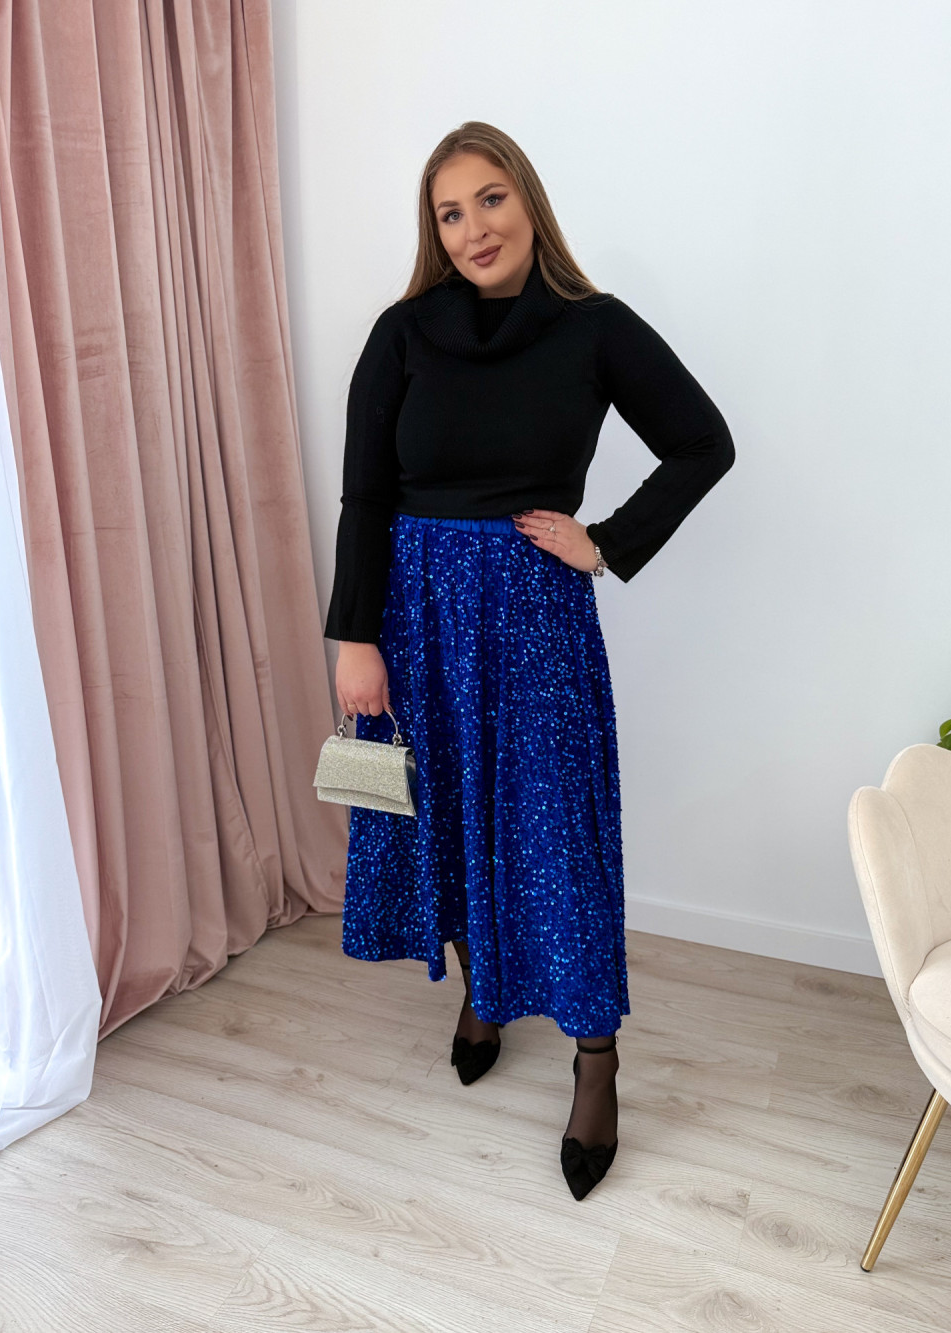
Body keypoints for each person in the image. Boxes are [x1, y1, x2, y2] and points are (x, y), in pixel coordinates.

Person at [322, 121, 735, 1200]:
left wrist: (607, 544)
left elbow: (703, 442)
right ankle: (484, 991)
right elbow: (366, 494)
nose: (474, 228)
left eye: (491, 199)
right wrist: (353, 636)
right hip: (415, 616)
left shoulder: (593, 328)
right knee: (448, 817)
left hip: (536, 615)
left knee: (557, 834)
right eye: (450, 212)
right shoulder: (402, 333)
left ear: (529, 200)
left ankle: (596, 1057)